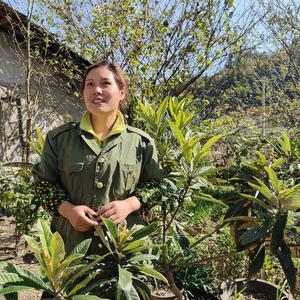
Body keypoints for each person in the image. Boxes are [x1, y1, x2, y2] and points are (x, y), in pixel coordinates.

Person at [32, 60, 161, 255]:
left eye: (105, 83)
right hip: (71, 248)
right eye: (90, 84)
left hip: (125, 251)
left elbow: (156, 185)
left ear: (122, 92)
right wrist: (68, 210)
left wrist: (129, 204)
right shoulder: (59, 139)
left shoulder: (141, 142)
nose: (96, 90)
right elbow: (44, 184)